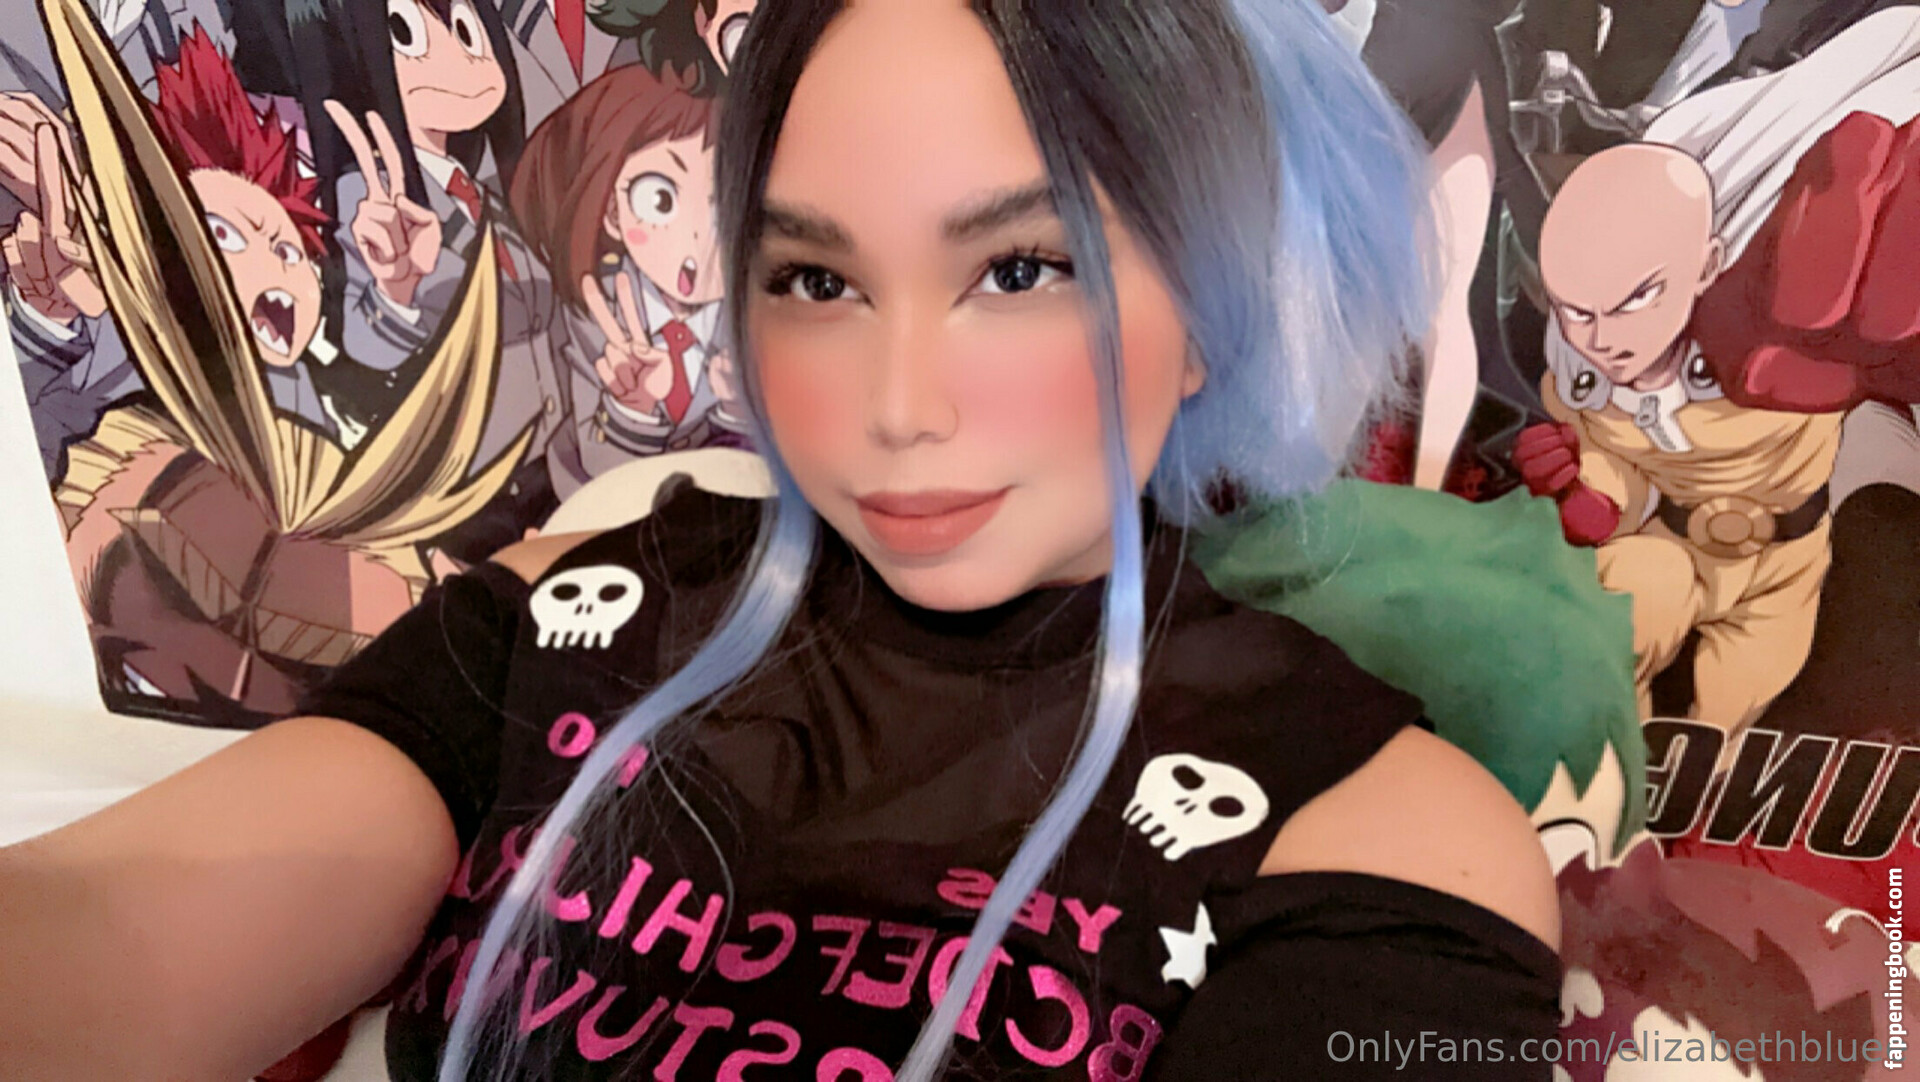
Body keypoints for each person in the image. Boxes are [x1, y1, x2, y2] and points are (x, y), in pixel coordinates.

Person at [0, 1, 1562, 1079]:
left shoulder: (1378, 823)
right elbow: (129, 926)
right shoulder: (585, 608)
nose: (895, 406)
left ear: (1207, 312)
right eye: (816, 280)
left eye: (1021, 269)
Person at [511, 63, 749, 495]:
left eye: (725, 197)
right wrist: (632, 409)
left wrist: (738, 410)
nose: (697, 235)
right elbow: (596, 469)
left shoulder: (757, 312)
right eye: (659, 199)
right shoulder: (596, 318)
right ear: (613, 213)